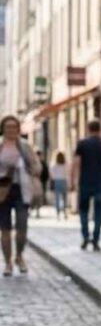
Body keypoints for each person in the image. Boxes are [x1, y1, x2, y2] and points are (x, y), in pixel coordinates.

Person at [0, 116, 42, 276]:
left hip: (21, 189)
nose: (11, 130)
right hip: (2, 191)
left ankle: (19, 256)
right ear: (3, 129)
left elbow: (37, 166)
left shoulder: (25, 146)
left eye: (14, 127)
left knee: (22, 226)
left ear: (18, 129)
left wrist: (29, 168)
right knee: (4, 229)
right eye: (7, 127)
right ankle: (8, 263)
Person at [71, 120, 101, 251]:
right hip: (100, 183)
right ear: (99, 129)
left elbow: (76, 163)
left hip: (85, 182)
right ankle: (96, 240)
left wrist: (73, 180)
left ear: (88, 129)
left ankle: (85, 237)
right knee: (98, 213)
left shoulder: (82, 144)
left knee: (83, 212)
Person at [50, 152, 68, 220]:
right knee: (64, 198)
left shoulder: (54, 164)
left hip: (57, 181)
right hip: (64, 181)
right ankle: (65, 212)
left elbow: (51, 173)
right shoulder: (65, 164)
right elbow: (67, 172)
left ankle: (58, 214)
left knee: (57, 198)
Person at [35, 150, 49, 218]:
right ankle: (32, 209)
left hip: (41, 182)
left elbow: (46, 173)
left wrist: (44, 181)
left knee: (39, 197)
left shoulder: (43, 163)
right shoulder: (33, 162)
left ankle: (37, 211)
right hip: (34, 182)